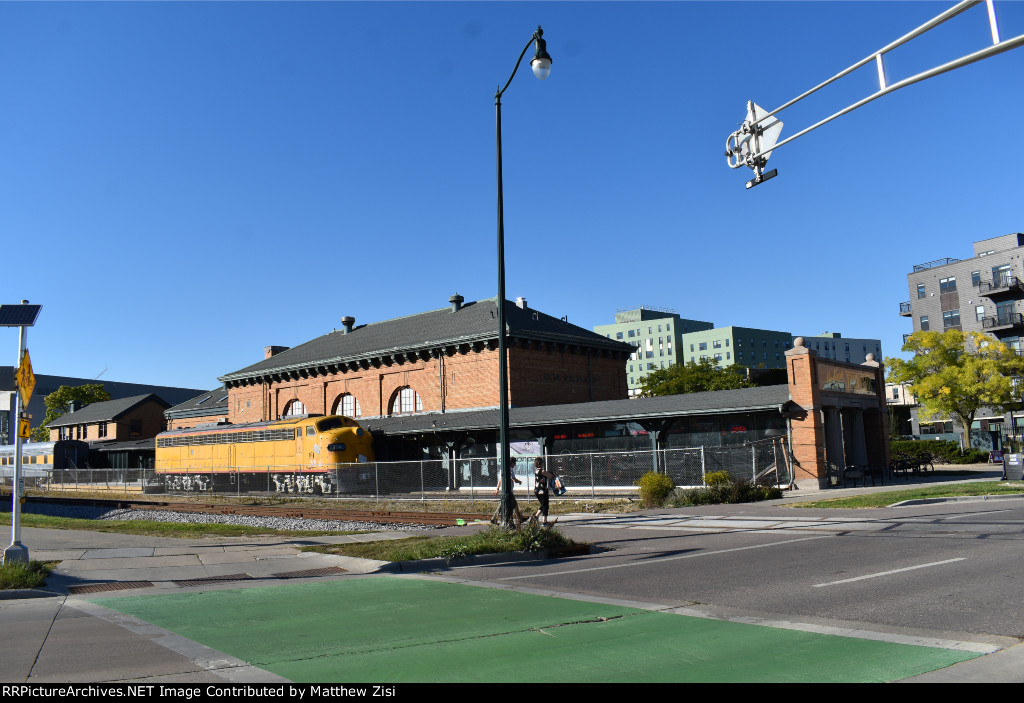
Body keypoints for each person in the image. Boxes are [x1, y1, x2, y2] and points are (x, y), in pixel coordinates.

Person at [532, 457, 557, 526]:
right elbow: (551, 476)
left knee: (543, 504)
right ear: (540, 464)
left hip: (537, 490)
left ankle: (536, 516)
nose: (543, 463)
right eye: (542, 462)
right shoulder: (542, 471)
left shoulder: (536, 471)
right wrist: (552, 474)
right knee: (545, 505)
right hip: (542, 490)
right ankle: (544, 521)